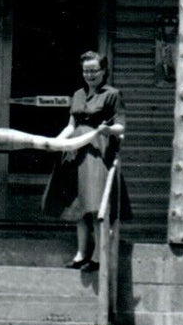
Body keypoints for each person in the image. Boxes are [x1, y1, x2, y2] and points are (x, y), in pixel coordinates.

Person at [42, 51, 131, 271]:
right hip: (75, 152)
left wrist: (108, 129)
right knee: (78, 207)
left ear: (103, 71)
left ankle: (98, 258)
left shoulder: (112, 94)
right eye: (86, 71)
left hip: (96, 152)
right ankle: (81, 254)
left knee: (95, 206)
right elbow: (71, 126)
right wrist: (54, 142)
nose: (90, 75)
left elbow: (121, 126)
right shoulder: (78, 95)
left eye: (94, 70)